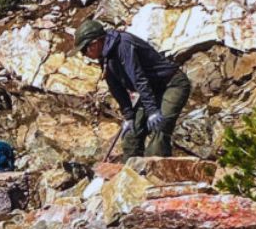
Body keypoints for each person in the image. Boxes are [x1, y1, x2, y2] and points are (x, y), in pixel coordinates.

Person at [74, 18, 191, 159]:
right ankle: (130, 174)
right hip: (152, 89)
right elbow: (115, 87)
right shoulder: (104, 55)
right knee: (131, 136)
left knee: (159, 128)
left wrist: (152, 110)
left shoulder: (123, 45)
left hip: (171, 83)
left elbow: (138, 78)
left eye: (84, 50)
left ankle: (153, 174)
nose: (84, 55)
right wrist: (129, 116)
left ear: (94, 43)